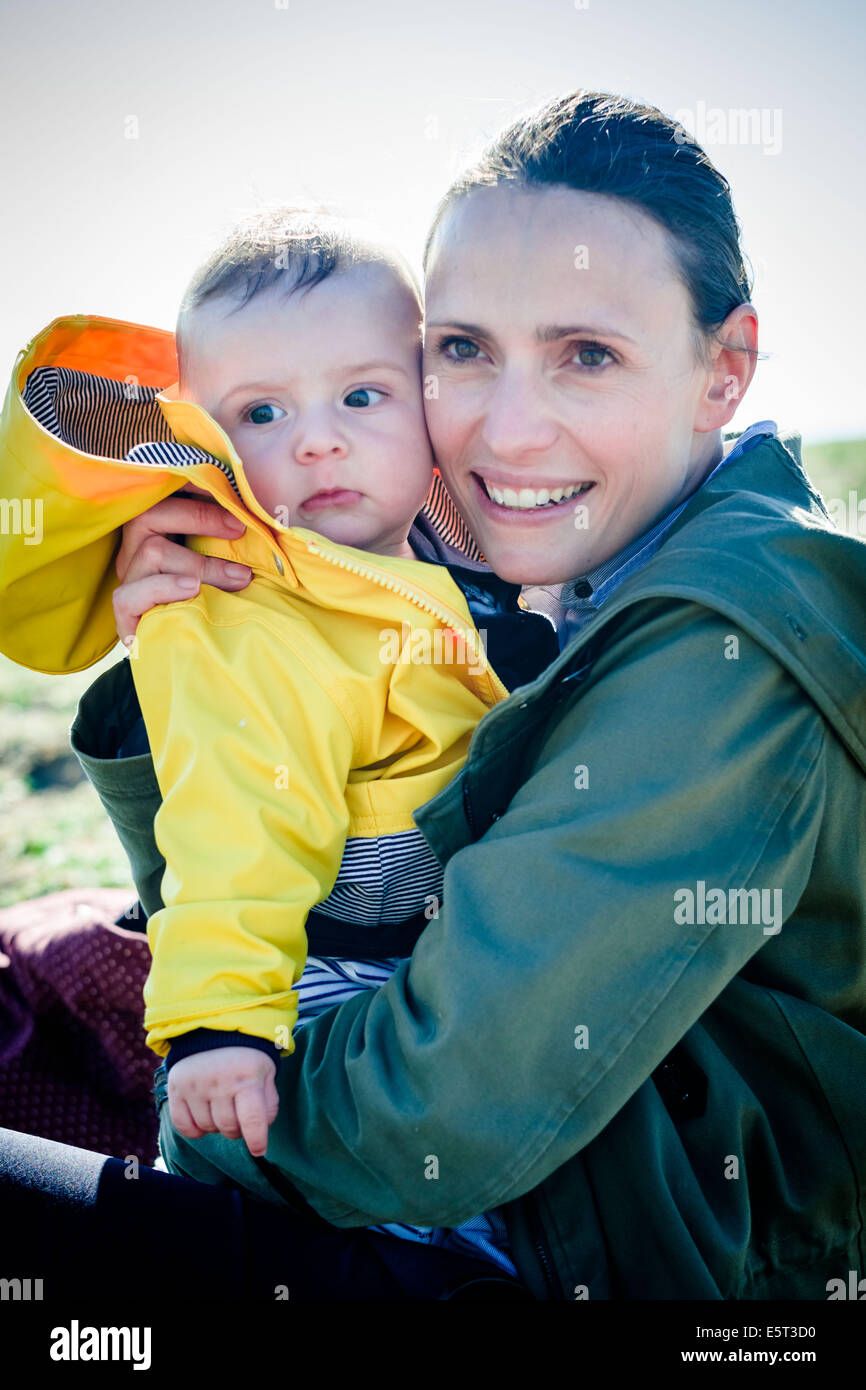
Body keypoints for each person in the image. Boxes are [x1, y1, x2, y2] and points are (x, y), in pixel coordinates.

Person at [2, 88, 866, 1301]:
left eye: (587, 356)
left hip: (588, 1249)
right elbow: (274, 856)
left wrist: (203, 1094)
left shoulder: (722, 646)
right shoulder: (505, 564)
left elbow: (433, 1121)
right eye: (461, 351)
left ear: (722, 369)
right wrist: (198, 659)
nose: (505, 434)